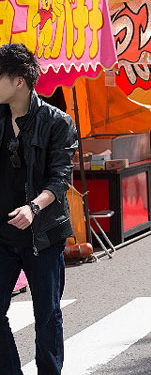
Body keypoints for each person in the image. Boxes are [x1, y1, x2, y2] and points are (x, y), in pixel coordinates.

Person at [0, 43, 77, 375]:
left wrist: (33, 207)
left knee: (47, 315)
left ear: (19, 81)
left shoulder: (57, 122)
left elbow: (60, 179)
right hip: (3, 235)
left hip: (43, 235)